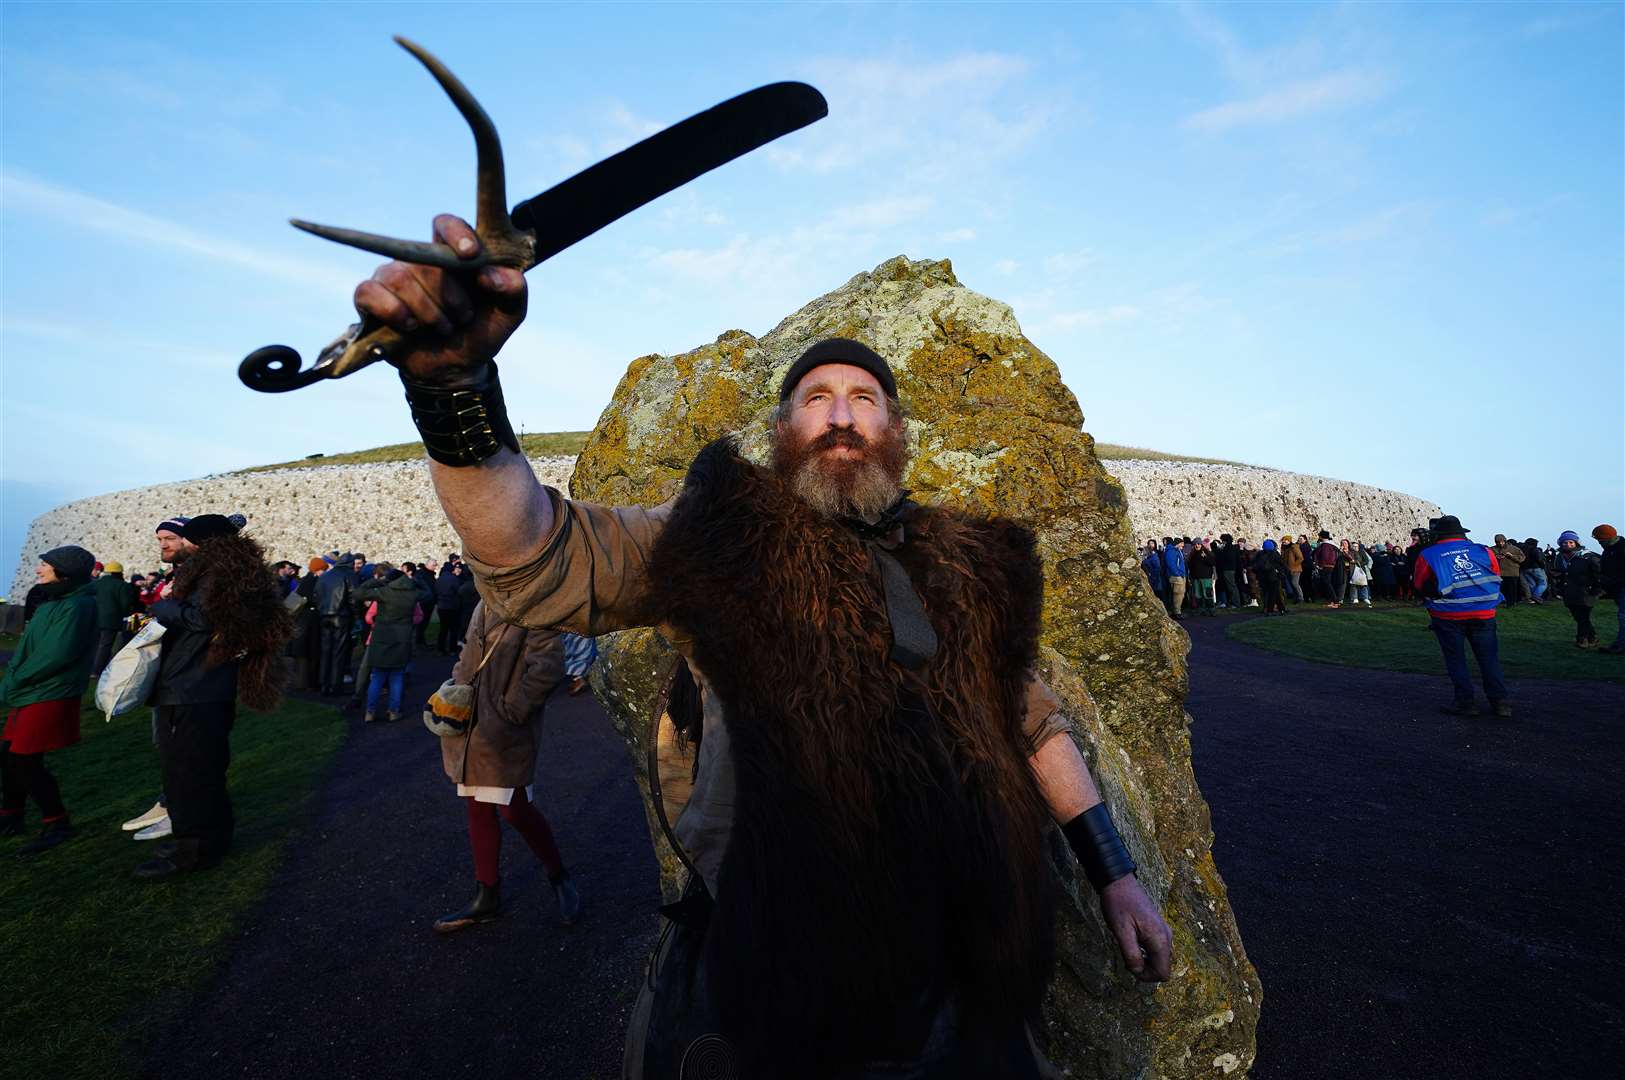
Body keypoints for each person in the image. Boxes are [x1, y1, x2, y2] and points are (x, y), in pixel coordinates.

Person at [352, 220, 1171, 1078]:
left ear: (894, 429)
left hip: (961, 974)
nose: (842, 416)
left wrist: (1112, 873)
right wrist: (453, 390)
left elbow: (1033, 725)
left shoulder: (959, 567)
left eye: (864, 398)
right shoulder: (722, 536)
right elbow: (538, 559)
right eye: (818, 397)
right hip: (774, 967)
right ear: (784, 426)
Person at [135, 515, 291, 881]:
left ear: (200, 543)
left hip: (194, 686)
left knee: (188, 773)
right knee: (202, 769)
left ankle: (195, 850)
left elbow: (203, 620)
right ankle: (207, 840)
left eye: (184, 539)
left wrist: (163, 607)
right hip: (201, 685)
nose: (176, 544)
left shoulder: (215, 573)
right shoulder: (228, 570)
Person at [435, 601, 580, 931]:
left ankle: (558, 875)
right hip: (471, 726)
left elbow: (548, 667)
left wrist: (511, 711)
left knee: (514, 809)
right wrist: (457, 687)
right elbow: (467, 654)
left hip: (504, 731)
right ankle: (486, 895)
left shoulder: (534, 605)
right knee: (477, 807)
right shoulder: (481, 603)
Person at [0, 546, 98, 852]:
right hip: (33, 689)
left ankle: (58, 823)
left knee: (24, 761)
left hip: (51, 691)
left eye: (45, 564)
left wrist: (16, 677)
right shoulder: (52, 602)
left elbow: (58, 654)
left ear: (63, 571)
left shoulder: (77, 606)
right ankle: (10, 816)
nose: (38, 569)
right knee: (8, 754)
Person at [1412, 515, 1511, 717]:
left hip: (1448, 614)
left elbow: (1420, 584)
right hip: (1484, 612)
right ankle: (1500, 702)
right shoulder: (1483, 550)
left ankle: (1465, 702)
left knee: (1456, 659)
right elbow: (1495, 573)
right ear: (1462, 533)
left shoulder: (1429, 554)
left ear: (1437, 534)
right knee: (1489, 658)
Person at [355, 562, 431, 722]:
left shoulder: (384, 592)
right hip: (401, 638)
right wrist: (416, 580)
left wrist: (377, 581)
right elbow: (428, 593)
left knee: (377, 677)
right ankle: (393, 711)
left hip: (381, 637)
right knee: (397, 676)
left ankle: (370, 711)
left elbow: (359, 593)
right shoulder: (412, 594)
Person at [316, 550, 357, 695]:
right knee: (338, 651)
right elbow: (353, 598)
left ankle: (324, 683)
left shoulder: (325, 576)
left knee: (326, 649)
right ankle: (335, 684)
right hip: (341, 616)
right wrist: (355, 616)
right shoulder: (349, 575)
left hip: (324, 615)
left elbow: (317, 595)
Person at [90, 560, 139, 676]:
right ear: (119, 573)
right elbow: (126, 604)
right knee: (105, 645)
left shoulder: (95, 583)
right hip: (110, 620)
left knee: (94, 645)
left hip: (93, 617)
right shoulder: (122, 585)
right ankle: (96, 671)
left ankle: (89, 668)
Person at [1557, 531, 1603, 649]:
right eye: (1565, 542)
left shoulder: (1587, 556)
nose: (1568, 545)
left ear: (1576, 543)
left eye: (1571, 542)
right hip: (1570, 591)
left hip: (1586, 591)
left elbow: (1600, 572)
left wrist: (1597, 589)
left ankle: (1582, 639)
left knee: (1582, 616)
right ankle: (1592, 637)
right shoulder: (1562, 558)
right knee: (1579, 617)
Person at [1594, 525, 1625, 654]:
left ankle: (1620, 645)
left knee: (1623, 616)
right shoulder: (1608, 550)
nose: (1599, 542)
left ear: (1607, 537)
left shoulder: (1621, 548)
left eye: (1600, 540)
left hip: (1622, 587)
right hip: (1617, 589)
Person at [435, 562, 466, 655]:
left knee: (443, 629)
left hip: (441, 606)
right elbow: (459, 591)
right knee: (453, 628)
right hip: (452, 605)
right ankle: (452, 648)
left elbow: (435, 590)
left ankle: (441, 648)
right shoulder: (454, 579)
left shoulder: (439, 579)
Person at [1252, 540, 1288, 615]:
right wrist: (1282, 573)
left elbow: (1254, 566)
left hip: (1262, 577)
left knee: (1273, 593)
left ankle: (1282, 609)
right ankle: (1270, 610)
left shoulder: (1259, 554)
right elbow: (1281, 564)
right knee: (1273, 593)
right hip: (1273, 576)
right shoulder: (1275, 554)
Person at [1492, 534, 1524, 607]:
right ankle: (1501, 602)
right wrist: (1496, 557)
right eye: (1498, 542)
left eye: (1502, 541)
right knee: (1500, 589)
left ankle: (1511, 603)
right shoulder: (1492, 549)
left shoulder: (1514, 549)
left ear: (1505, 541)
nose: (1500, 543)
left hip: (1511, 572)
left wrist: (1512, 556)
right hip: (1498, 573)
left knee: (1511, 589)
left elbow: (1522, 558)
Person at [1159, 535, 1186, 621]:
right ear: (1178, 544)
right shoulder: (1171, 551)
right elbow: (1171, 564)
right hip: (1176, 576)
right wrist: (1177, 574)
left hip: (1179, 575)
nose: (1182, 547)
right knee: (1178, 594)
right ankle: (1177, 612)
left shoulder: (1175, 551)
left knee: (1179, 594)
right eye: (1182, 545)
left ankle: (1176, 611)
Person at [1187, 538, 1217, 616]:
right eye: (1195, 544)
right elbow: (1190, 565)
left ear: (1201, 544)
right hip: (1196, 577)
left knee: (1207, 594)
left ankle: (1211, 610)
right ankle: (1201, 609)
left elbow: (1212, 562)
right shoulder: (1192, 554)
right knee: (1198, 594)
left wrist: (1205, 557)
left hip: (1206, 577)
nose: (1197, 545)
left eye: (1198, 544)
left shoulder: (1206, 552)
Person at [1313, 530, 1342, 608]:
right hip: (1331, 565)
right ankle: (1333, 601)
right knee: (1328, 583)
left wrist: (1320, 565)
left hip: (1325, 566)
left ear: (1321, 537)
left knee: (1327, 583)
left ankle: (1335, 601)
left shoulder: (1325, 545)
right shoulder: (1333, 545)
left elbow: (1324, 556)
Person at [1214, 533, 1242, 609]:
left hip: (1227, 569)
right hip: (1232, 569)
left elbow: (1222, 559)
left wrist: (1218, 550)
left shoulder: (1226, 549)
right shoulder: (1234, 548)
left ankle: (1236, 603)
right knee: (1231, 586)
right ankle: (1234, 602)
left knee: (1231, 586)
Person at [1519, 538, 1548, 604]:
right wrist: (1542, 566)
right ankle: (1536, 596)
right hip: (1535, 568)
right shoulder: (1534, 549)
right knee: (1543, 583)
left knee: (1532, 584)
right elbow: (1538, 559)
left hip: (1524, 569)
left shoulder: (1521, 549)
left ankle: (1532, 597)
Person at [1280, 535, 1304, 603]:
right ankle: (1296, 598)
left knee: (1295, 583)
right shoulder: (1284, 548)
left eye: (1285, 540)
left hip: (1295, 569)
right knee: (1292, 584)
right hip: (1287, 569)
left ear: (1289, 541)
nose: (1283, 541)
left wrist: (1293, 566)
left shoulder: (1294, 547)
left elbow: (1300, 558)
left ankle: (1301, 598)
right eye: (1283, 540)